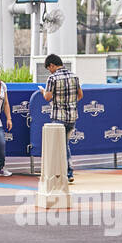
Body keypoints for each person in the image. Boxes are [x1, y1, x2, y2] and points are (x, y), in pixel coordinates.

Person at [41, 53, 83, 183]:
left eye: (49, 68)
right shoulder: (74, 76)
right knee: (65, 144)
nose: (50, 70)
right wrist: (70, 102)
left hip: (59, 116)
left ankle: (67, 173)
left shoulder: (52, 78)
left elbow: (47, 97)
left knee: (60, 146)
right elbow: (80, 95)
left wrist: (43, 91)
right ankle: (67, 172)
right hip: (72, 117)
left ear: (52, 65)